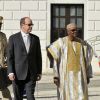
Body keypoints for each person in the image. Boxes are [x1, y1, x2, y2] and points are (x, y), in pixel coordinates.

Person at [47, 23, 93, 100]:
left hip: (80, 76)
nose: (75, 32)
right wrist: (56, 75)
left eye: (76, 30)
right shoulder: (61, 42)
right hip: (65, 77)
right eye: (72, 30)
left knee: (80, 96)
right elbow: (53, 55)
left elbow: (88, 59)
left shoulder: (82, 43)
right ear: (67, 31)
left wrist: (88, 75)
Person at [7, 17, 42, 100]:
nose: (31, 26)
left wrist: (39, 72)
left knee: (30, 96)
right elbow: (10, 57)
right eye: (29, 25)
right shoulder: (13, 38)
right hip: (17, 74)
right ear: (22, 25)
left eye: (31, 25)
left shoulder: (35, 38)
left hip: (31, 73)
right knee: (18, 97)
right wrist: (10, 72)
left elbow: (38, 56)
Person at [0, 16, 11, 99]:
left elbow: (7, 51)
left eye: (0, 24)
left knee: (3, 87)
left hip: (0, 66)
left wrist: (8, 61)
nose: (0, 25)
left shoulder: (2, 36)